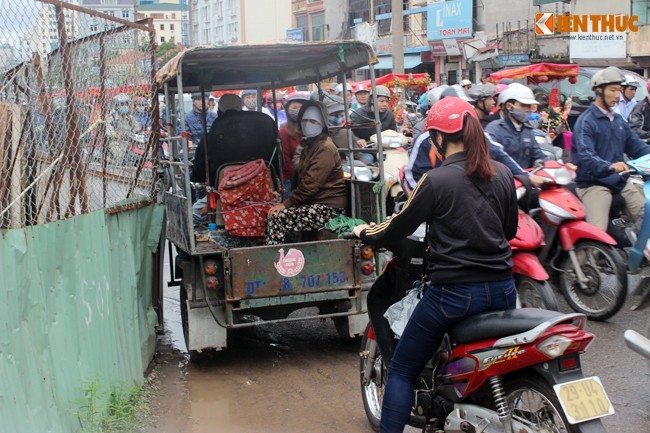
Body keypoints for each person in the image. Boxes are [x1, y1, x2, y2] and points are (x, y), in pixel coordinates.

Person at [352, 97, 518, 433]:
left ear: (440, 139)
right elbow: (510, 230)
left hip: (454, 296)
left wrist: (365, 232)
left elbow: (397, 226)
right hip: (503, 291)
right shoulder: (502, 173)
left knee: (401, 370)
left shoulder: (436, 180)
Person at [572, 66, 650, 232]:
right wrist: (609, 167)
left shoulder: (619, 121)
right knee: (597, 234)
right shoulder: (586, 122)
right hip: (593, 184)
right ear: (599, 91)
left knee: (646, 216)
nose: (617, 95)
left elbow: (637, 147)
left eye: (618, 90)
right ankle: (588, 256)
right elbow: (587, 157)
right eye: (613, 90)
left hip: (619, 181)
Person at [265, 100, 347, 245]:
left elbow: (310, 185)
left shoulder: (324, 148)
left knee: (277, 217)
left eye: (313, 121)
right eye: (305, 120)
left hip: (328, 208)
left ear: (322, 123)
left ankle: (274, 262)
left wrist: (287, 204)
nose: (308, 124)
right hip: (313, 204)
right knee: (271, 211)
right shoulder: (309, 145)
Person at [484, 83, 547, 169]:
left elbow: (538, 155)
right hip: (504, 180)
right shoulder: (494, 129)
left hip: (527, 181)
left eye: (529, 106)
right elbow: (492, 162)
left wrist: (542, 162)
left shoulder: (528, 131)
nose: (528, 109)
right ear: (509, 106)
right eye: (523, 105)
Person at [279, 91, 309, 196]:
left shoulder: (310, 130)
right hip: (291, 179)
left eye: (301, 108)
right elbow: (286, 162)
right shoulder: (283, 132)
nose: (297, 111)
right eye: (294, 107)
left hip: (309, 177)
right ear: (287, 109)